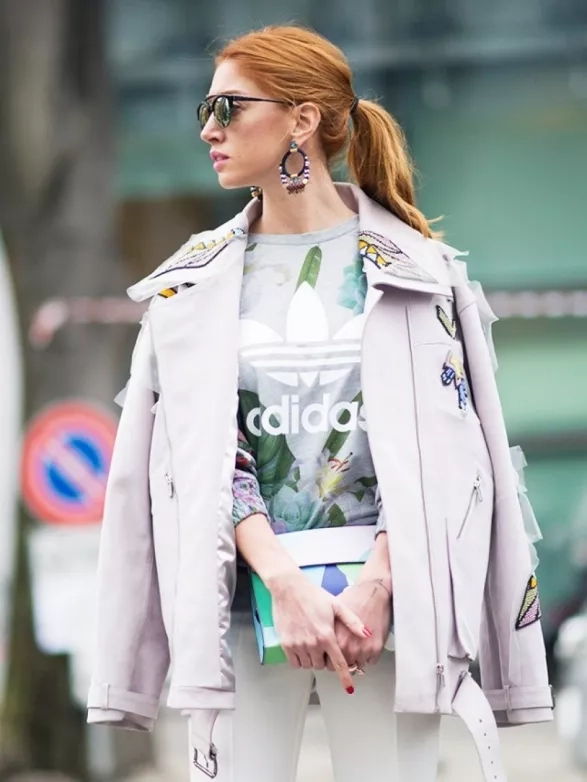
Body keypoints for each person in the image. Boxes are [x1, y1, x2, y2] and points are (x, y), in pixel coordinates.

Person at [87, 25, 554, 782]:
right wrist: (283, 582)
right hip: (241, 606)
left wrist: (377, 584)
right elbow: (193, 455)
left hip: (387, 613)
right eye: (205, 109)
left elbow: (452, 453)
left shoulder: (422, 272)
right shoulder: (189, 287)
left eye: (229, 107)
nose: (209, 129)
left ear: (302, 119)